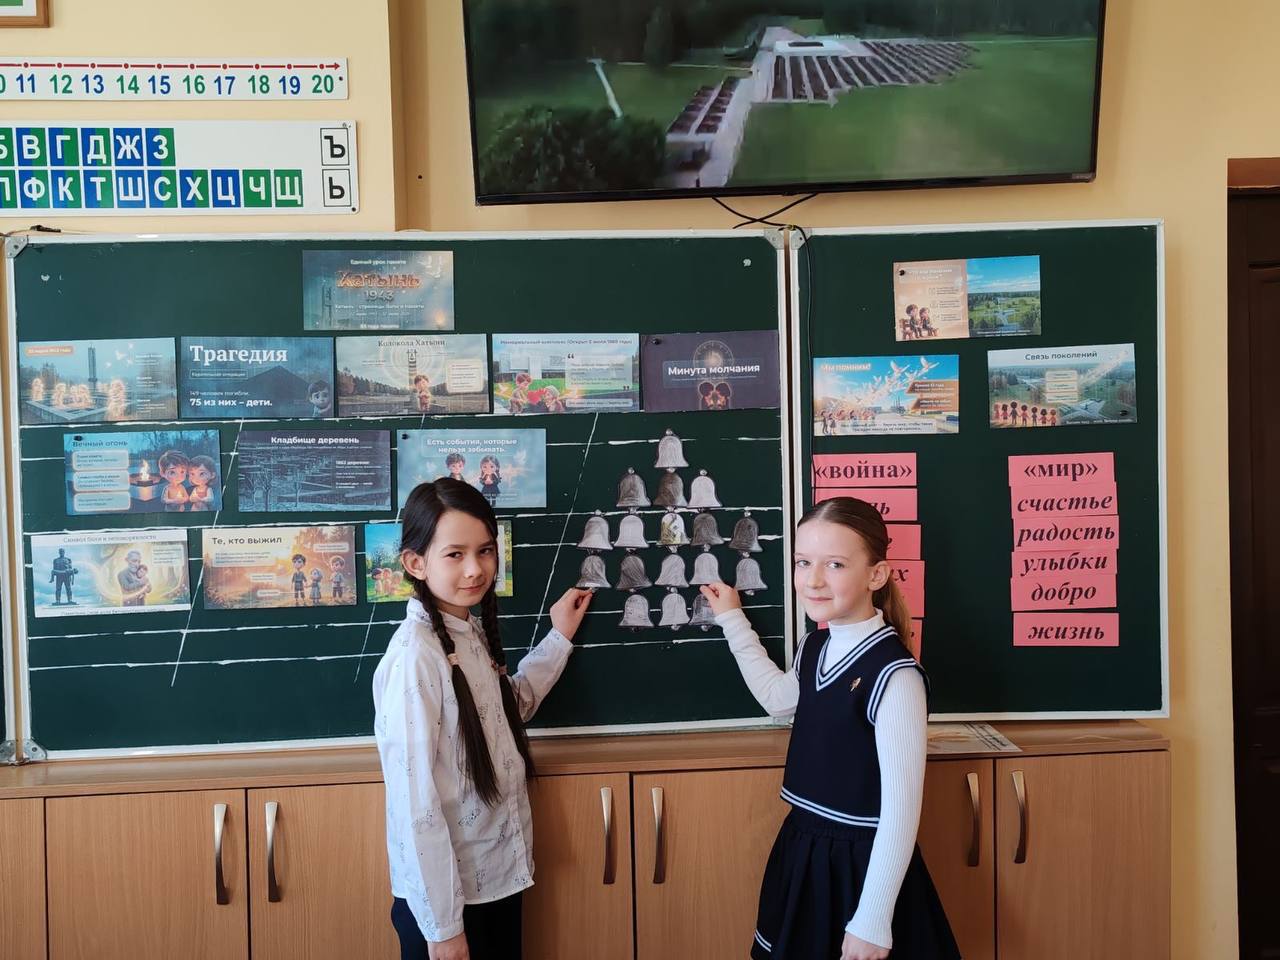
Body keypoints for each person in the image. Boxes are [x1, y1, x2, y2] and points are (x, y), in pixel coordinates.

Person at [700, 497, 960, 960]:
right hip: (802, 847)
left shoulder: (895, 677)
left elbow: (900, 814)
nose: (813, 580)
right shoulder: (815, 646)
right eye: (803, 562)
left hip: (861, 869)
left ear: (876, 575)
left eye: (835, 564)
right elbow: (778, 699)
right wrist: (732, 620)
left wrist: (872, 920)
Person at [373, 478, 593, 960]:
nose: (475, 569)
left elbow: (505, 713)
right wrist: (444, 930)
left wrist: (558, 638)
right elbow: (415, 805)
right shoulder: (416, 657)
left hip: (494, 882)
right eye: (455, 554)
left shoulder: (465, 631)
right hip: (451, 906)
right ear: (415, 563)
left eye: (485, 551)